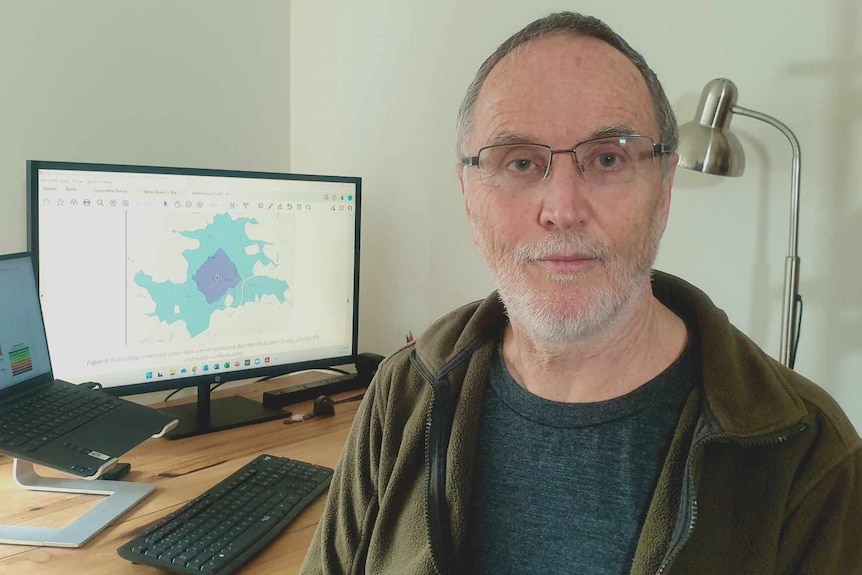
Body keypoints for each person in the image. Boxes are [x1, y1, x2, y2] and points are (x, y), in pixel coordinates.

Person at [301, 11, 862, 575]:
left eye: (609, 158)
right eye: (520, 161)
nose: (563, 209)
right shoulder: (403, 393)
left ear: (664, 188)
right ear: (469, 197)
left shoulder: (807, 455)